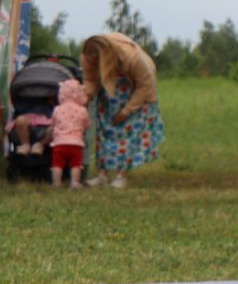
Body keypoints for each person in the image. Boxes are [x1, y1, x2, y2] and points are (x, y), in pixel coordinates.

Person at [79, 32, 163, 189]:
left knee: (127, 136)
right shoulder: (88, 55)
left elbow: (145, 86)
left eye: (97, 61)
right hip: (109, 93)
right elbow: (90, 80)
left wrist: (126, 111)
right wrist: (86, 96)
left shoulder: (133, 58)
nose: (92, 62)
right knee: (104, 134)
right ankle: (101, 176)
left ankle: (121, 176)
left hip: (133, 95)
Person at [48, 78, 89, 188]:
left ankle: (56, 183)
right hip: (76, 143)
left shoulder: (57, 109)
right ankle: (75, 182)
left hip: (59, 143)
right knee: (76, 164)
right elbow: (87, 124)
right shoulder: (82, 110)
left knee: (57, 164)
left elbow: (53, 123)